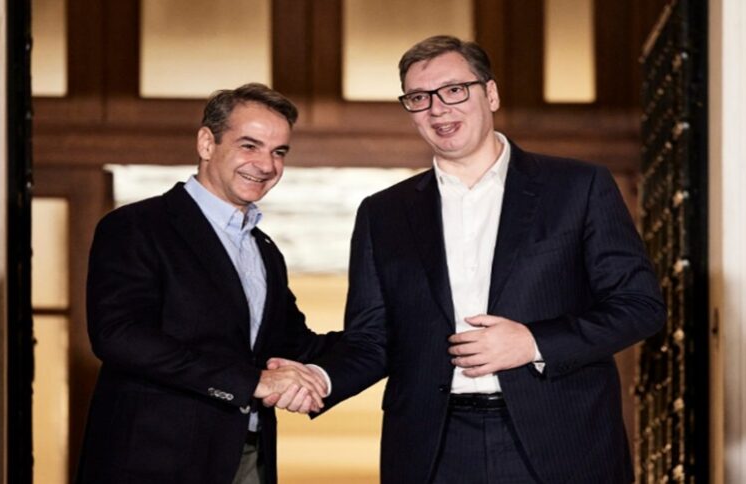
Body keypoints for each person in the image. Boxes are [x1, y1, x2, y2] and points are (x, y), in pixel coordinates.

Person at [278, 35, 665, 483]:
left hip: (562, 438)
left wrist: (533, 343)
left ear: (491, 94)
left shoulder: (578, 187)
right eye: (419, 98)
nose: (438, 109)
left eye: (454, 90)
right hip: (434, 448)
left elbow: (640, 306)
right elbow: (372, 339)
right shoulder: (382, 214)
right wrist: (319, 378)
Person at [75, 83, 339, 484]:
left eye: (279, 152)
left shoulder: (265, 250)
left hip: (247, 456)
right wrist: (251, 382)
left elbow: (295, 346)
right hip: (154, 462)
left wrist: (396, 334)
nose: (266, 165)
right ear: (206, 143)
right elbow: (120, 336)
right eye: (249, 146)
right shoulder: (136, 226)